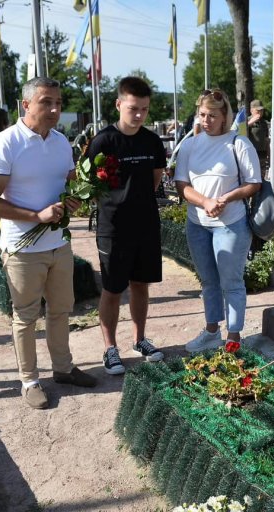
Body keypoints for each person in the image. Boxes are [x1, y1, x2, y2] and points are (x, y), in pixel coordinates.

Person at [0, 77, 96, 409]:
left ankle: (63, 368)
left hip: (59, 245)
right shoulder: (5, 143)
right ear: (26, 105)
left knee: (60, 311)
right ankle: (29, 381)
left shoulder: (61, 143)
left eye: (58, 102)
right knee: (26, 316)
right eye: (47, 102)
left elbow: (70, 186)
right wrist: (36, 215)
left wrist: (73, 202)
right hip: (22, 248)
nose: (55, 109)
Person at [87, 76, 167, 375]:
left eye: (144, 109)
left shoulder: (152, 141)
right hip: (113, 227)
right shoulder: (103, 141)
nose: (138, 115)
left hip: (146, 224)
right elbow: (90, 183)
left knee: (141, 286)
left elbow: (155, 178)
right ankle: (110, 348)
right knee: (112, 289)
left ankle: (139, 339)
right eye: (133, 108)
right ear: (119, 104)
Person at [174, 88, 262, 353]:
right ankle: (212, 331)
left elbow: (253, 183)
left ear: (225, 116)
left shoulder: (239, 143)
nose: (206, 120)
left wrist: (227, 198)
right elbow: (181, 184)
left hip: (231, 224)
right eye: (202, 115)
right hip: (197, 223)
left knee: (231, 282)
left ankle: (233, 337)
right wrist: (206, 202)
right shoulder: (190, 144)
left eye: (212, 115)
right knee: (208, 281)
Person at [247, 99, 270, 172]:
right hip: (251, 155)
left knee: (261, 179)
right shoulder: (246, 121)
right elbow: (240, 133)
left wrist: (269, 156)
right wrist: (250, 123)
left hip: (262, 155)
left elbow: (266, 140)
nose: (260, 113)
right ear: (251, 110)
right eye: (258, 110)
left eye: (262, 111)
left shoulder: (264, 123)